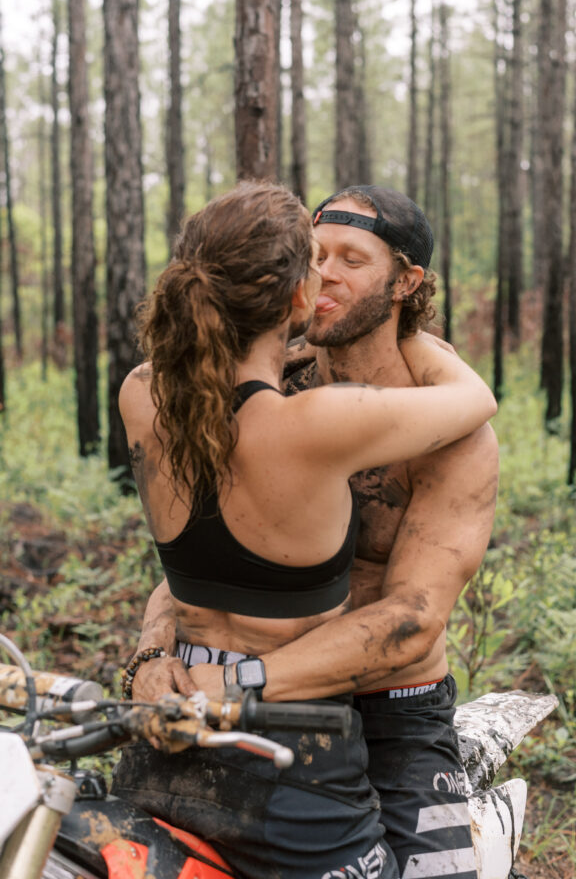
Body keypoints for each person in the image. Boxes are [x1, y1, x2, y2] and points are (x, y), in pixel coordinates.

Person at [111, 179, 497, 879]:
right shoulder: (258, 394)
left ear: (406, 281)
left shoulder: (453, 436)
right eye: (316, 254)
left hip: (391, 706)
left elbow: (411, 618)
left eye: (352, 258)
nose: (326, 273)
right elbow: (202, 569)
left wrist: (234, 682)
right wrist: (152, 652)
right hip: (252, 706)